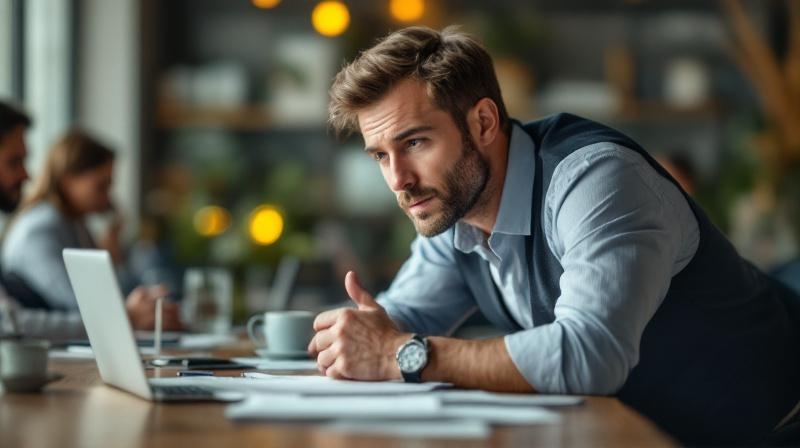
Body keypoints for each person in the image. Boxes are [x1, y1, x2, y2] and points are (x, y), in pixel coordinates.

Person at [308, 26, 800, 445]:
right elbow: (397, 322)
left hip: (763, 429)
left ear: (482, 122)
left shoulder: (596, 180)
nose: (398, 179)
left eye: (414, 142)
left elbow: (590, 355)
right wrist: (356, 339)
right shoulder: (450, 205)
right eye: (380, 155)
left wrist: (402, 354)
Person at [0, 107, 180, 337]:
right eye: (100, 186)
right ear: (67, 181)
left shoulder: (75, 225)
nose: (109, 197)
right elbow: (83, 307)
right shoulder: (40, 230)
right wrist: (126, 316)